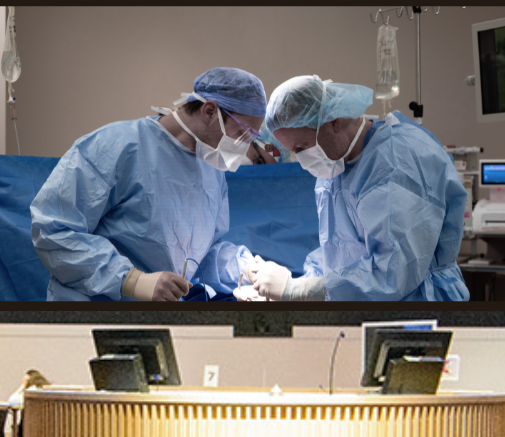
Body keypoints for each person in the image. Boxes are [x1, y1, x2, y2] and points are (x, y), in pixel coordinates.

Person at [30, 67, 280, 301]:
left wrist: (245, 267)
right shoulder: (115, 147)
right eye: (242, 135)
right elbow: (53, 230)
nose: (245, 148)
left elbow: (200, 255)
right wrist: (131, 280)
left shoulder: (212, 169)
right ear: (209, 112)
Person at [246, 75, 468, 301]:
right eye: (293, 150)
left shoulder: (396, 163)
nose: (301, 158)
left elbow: (393, 276)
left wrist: (299, 291)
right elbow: (339, 251)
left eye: (302, 146)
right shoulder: (334, 165)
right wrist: (296, 283)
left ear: (334, 121)